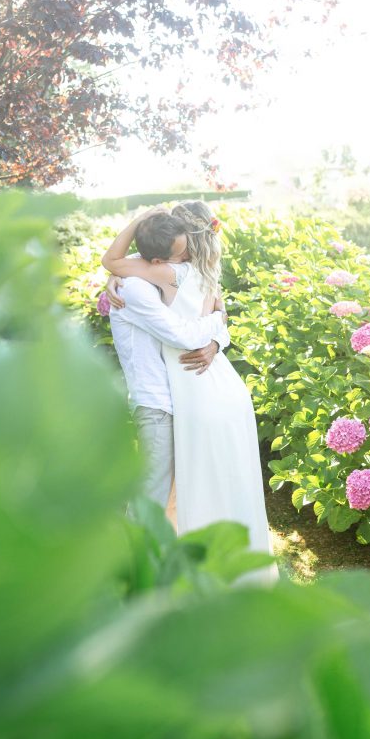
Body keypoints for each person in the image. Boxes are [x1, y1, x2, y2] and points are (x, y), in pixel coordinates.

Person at [103, 202, 277, 578]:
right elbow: (187, 330)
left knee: (180, 490)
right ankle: (146, 571)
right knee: (197, 486)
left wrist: (215, 336)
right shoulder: (190, 274)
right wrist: (217, 329)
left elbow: (114, 261)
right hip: (199, 391)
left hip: (190, 394)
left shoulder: (162, 273)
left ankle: (156, 571)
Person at [104, 209, 230, 512]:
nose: (187, 258)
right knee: (151, 498)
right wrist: (218, 318)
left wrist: (216, 342)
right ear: (159, 261)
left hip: (181, 400)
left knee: (174, 498)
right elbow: (184, 335)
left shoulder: (151, 274)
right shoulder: (133, 288)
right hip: (157, 404)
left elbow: (129, 261)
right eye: (181, 254)